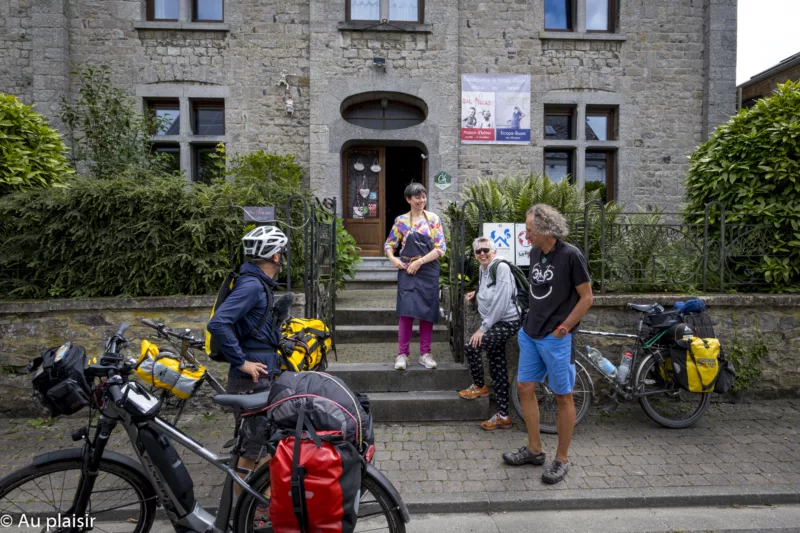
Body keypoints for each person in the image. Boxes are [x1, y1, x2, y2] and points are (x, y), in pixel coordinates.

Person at [502, 204, 593, 484]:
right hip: (531, 333)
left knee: (563, 396)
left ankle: (562, 459)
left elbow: (587, 298)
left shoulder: (571, 255)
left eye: (530, 230)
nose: (526, 235)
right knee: (524, 387)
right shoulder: (535, 253)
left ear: (546, 229)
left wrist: (564, 329)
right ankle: (534, 450)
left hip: (556, 338)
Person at [207, 225, 287, 484]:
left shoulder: (258, 284)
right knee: (253, 452)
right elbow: (218, 323)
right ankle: (249, 505)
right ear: (275, 256)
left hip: (262, 373)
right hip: (250, 380)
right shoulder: (252, 285)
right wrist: (241, 362)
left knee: (260, 448)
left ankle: (258, 502)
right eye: (282, 253)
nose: (283, 258)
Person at [459, 237, 521, 430]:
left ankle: (480, 387)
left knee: (472, 346)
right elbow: (488, 288)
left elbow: (502, 302)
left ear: (494, 251)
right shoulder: (483, 268)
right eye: (478, 251)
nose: (482, 254)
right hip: (495, 323)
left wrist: (482, 329)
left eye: (486, 250)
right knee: (497, 366)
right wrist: (476, 293)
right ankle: (503, 416)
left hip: (507, 322)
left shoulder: (501, 268)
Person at [384, 183, 446, 370]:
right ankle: (402, 354)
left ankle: (425, 354)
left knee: (427, 312)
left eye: (423, 196)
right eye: (417, 197)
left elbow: (441, 248)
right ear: (408, 199)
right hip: (407, 271)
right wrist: (393, 259)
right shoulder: (401, 221)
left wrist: (420, 262)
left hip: (428, 269)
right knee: (406, 312)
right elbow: (389, 245)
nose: (421, 200)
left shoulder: (433, 219)